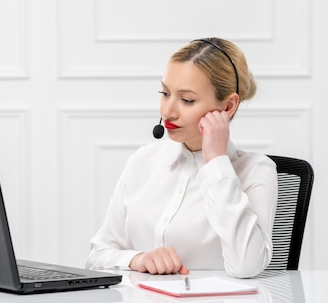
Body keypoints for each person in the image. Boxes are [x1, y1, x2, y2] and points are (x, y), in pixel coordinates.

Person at [85, 38, 278, 279]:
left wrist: (217, 162)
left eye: (187, 100)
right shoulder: (142, 161)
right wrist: (137, 259)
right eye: (164, 93)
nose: (167, 111)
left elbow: (246, 265)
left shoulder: (256, 171)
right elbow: (97, 255)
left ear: (228, 106)